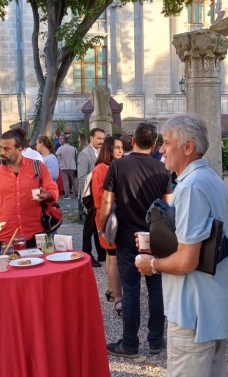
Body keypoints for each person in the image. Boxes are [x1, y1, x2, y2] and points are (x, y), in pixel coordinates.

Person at [135, 114, 228, 377]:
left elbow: (186, 261)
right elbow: (204, 242)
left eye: (167, 142)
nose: (160, 149)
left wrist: (151, 265)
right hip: (211, 304)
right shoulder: (210, 179)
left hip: (193, 311)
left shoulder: (191, 187)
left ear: (188, 147)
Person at [100, 123, 172, 358]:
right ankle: (155, 340)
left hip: (127, 237)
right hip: (155, 238)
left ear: (132, 141)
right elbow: (168, 206)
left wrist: (102, 229)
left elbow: (107, 203)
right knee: (156, 290)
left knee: (130, 291)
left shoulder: (118, 166)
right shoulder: (162, 170)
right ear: (154, 145)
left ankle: (130, 344)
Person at [0, 129, 58, 250]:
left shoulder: (37, 167)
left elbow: (53, 190)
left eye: (7, 149)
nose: (2, 152)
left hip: (35, 235)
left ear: (19, 149)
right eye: (1, 148)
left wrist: (47, 195)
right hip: (7, 238)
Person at [92, 136, 124, 316]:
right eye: (116, 148)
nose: (120, 151)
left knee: (111, 256)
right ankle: (118, 297)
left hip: (112, 216)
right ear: (108, 150)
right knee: (113, 256)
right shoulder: (102, 169)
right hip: (107, 217)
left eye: (121, 147)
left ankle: (113, 290)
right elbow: (101, 198)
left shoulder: (114, 166)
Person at [78, 127, 106, 267]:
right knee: (89, 227)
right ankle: (87, 254)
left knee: (97, 226)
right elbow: (82, 178)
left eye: (103, 138)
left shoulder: (102, 152)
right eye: (98, 138)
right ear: (91, 138)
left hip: (99, 195)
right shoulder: (85, 154)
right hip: (89, 196)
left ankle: (101, 253)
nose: (101, 141)